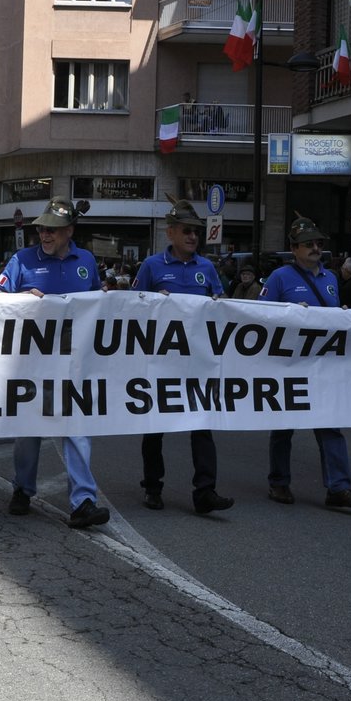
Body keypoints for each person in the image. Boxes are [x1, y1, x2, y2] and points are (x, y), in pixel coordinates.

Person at [0, 197, 110, 529]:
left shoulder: (86, 260)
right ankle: (22, 489)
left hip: (74, 361)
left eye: (53, 230)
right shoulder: (21, 260)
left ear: (69, 231)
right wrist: (20, 299)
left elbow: (97, 304)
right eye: (42, 229)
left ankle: (83, 502)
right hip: (31, 362)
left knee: (77, 430)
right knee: (29, 432)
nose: (45, 235)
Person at [132, 199, 233, 514]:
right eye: (187, 231)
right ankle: (152, 486)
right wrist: (152, 302)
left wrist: (219, 302)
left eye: (197, 232)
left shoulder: (207, 268)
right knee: (155, 425)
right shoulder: (152, 266)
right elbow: (132, 306)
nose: (193, 237)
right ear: (171, 233)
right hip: (161, 359)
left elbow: (222, 305)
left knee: (202, 423)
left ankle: (205, 491)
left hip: (196, 359)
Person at [260, 217, 351, 509]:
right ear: (293, 248)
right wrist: (288, 312)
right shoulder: (280, 277)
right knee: (284, 426)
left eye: (319, 243)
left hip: (322, 365)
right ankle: (279, 483)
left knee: (330, 425)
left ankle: (338, 488)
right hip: (289, 365)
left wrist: (342, 315)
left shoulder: (331, 279)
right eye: (309, 244)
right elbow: (258, 316)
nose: (316, 248)